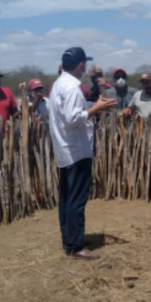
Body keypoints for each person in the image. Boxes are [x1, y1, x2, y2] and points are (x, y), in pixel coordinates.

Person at [49, 46, 116, 259]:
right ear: (80, 65)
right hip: (76, 150)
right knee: (76, 199)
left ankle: (70, 239)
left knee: (67, 198)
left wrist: (93, 106)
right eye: (84, 64)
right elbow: (73, 118)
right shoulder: (70, 87)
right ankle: (76, 246)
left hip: (65, 149)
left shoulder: (60, 84)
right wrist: (96, 108)